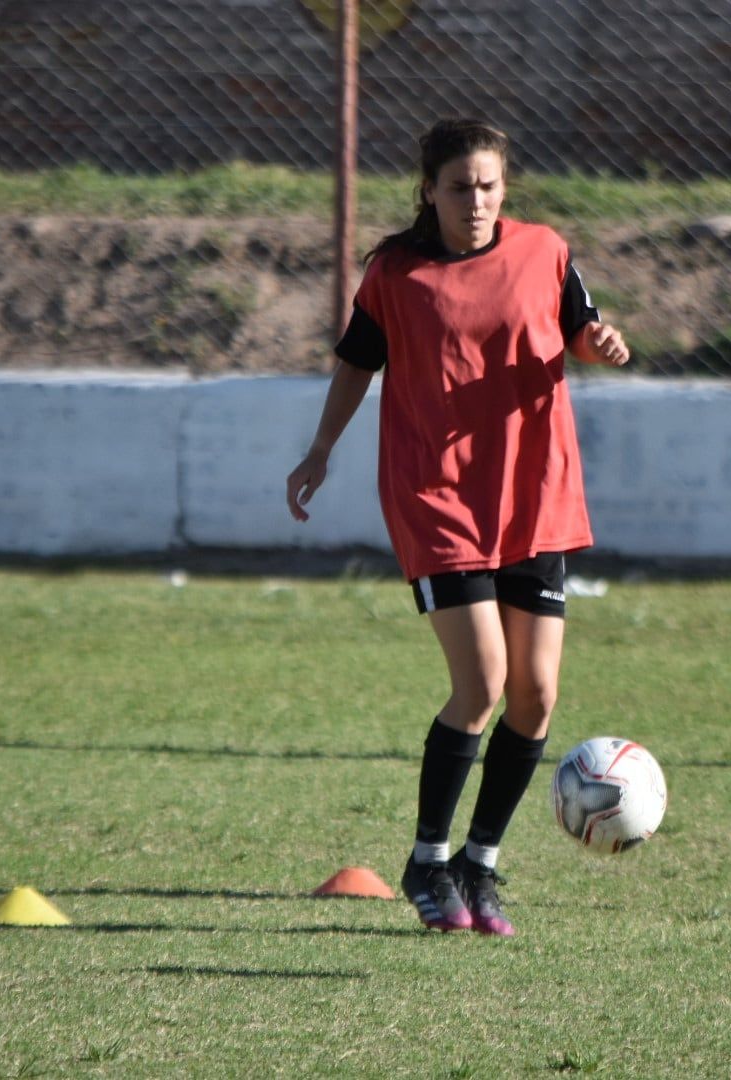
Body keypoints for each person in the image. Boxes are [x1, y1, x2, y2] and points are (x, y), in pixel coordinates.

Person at [285, 118, 630, 936]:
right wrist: (320, 449)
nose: (474, 201)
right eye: (457, 187)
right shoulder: (396, 273)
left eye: (487, 186)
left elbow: (577, 325)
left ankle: (480, 866)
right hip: (437, 495)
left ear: (504, 188)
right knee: (481, 684)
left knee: (536, 696)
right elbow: (357, 361)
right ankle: (426, 860)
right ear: (428, 192)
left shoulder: (544, 250)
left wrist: (598, 341)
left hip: (533, 492)